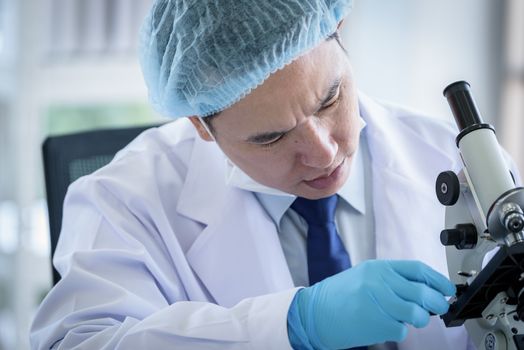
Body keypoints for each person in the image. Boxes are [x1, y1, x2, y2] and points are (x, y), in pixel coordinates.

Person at [30, 0, 517, 349]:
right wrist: (291, 326)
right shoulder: (122, 197)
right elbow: (78, 341)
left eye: (330, 100)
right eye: (271, 137)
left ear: (340, 28)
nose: (323, 152)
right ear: (201, 124)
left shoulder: (451, 154)